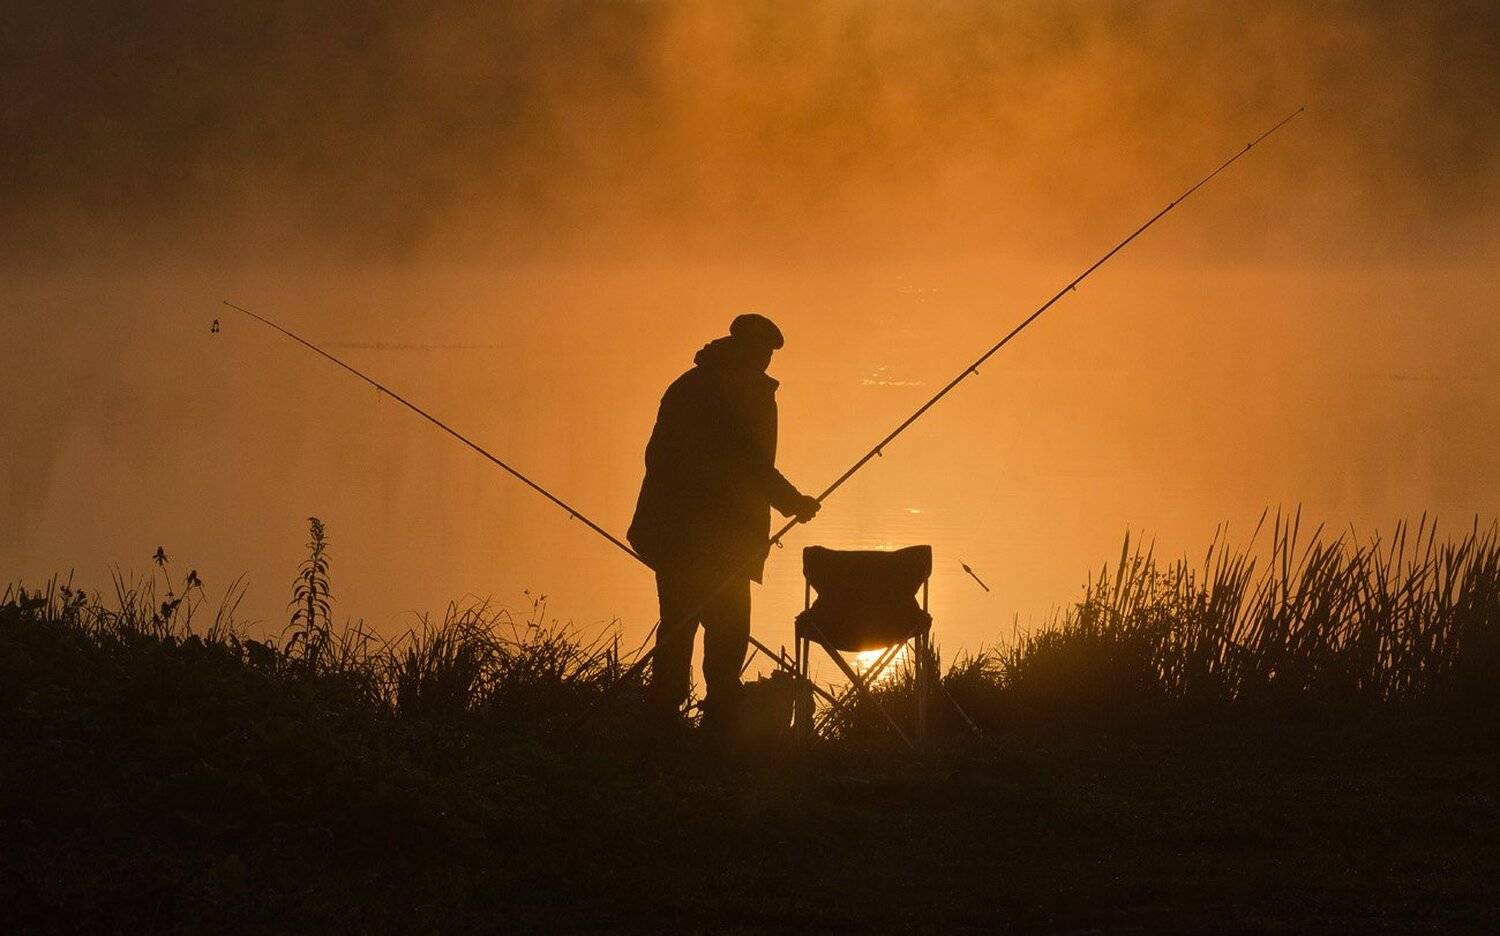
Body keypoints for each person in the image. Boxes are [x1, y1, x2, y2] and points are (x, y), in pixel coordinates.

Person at [628, 313, 820, 731]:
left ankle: (663, 718)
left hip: (673, 533)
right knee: (727, 629)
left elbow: (657, 456)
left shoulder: (689, 384)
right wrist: (793, 502)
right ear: (747, 349)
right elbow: (748, 464)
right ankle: (718, 720)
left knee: (678, 624)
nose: (765, 360)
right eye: (762, 351)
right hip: (719, 539)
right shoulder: (738, 391)